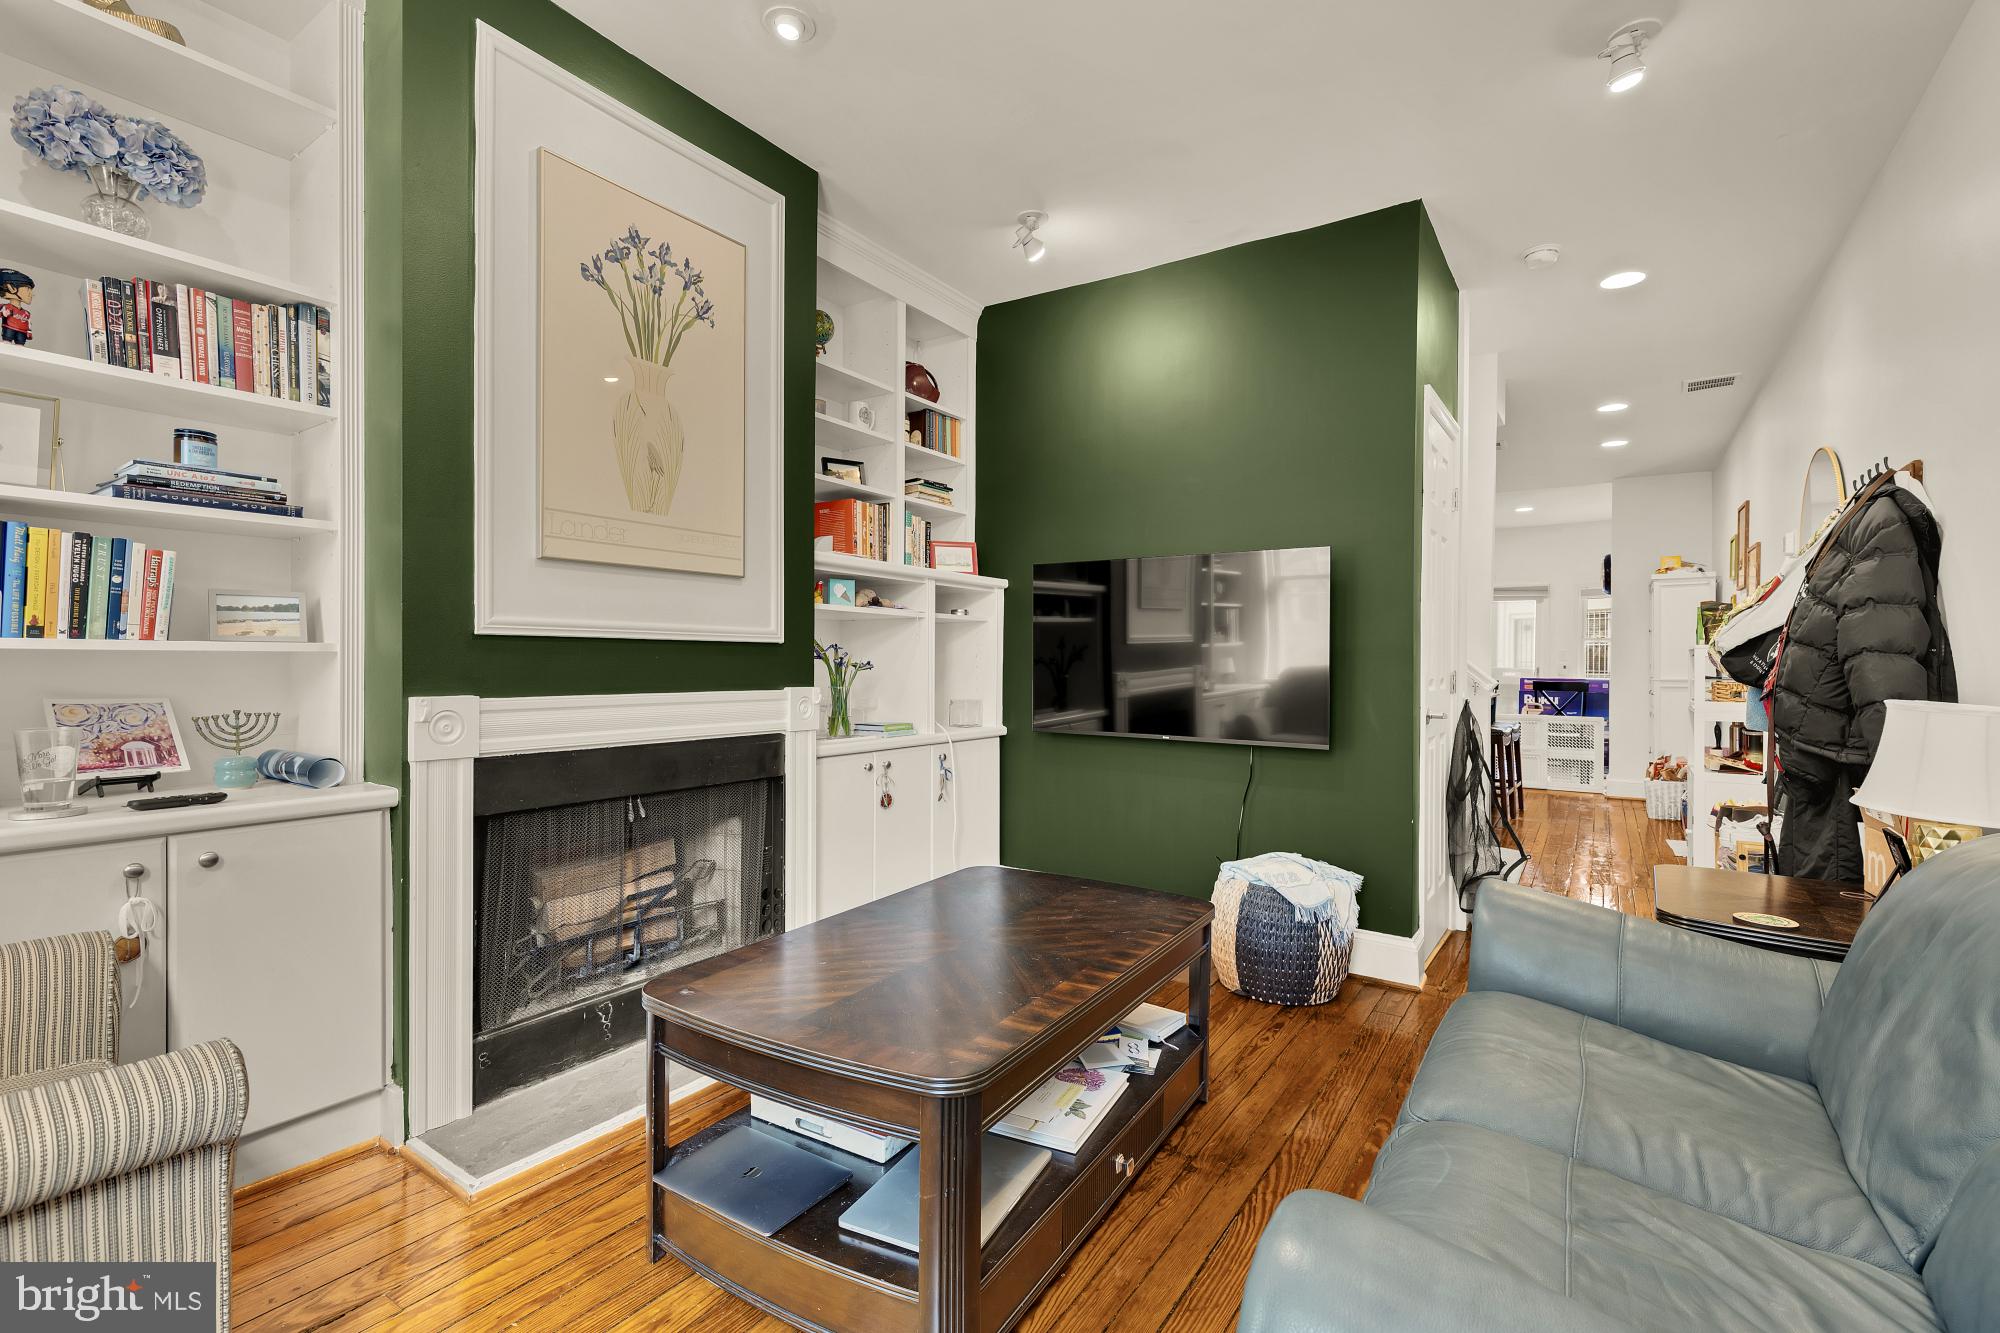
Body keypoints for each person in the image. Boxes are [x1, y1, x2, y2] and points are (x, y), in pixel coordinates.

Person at [0, 269, 34, 346]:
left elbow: (28, 324)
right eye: (28, 289)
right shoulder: (5, 307)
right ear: (11, 288)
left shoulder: (26, 313)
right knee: (6, 344)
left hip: (22, 333)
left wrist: (29, 332)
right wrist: (2, 313)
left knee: (20, 347)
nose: (32, 294)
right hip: (8, 330)